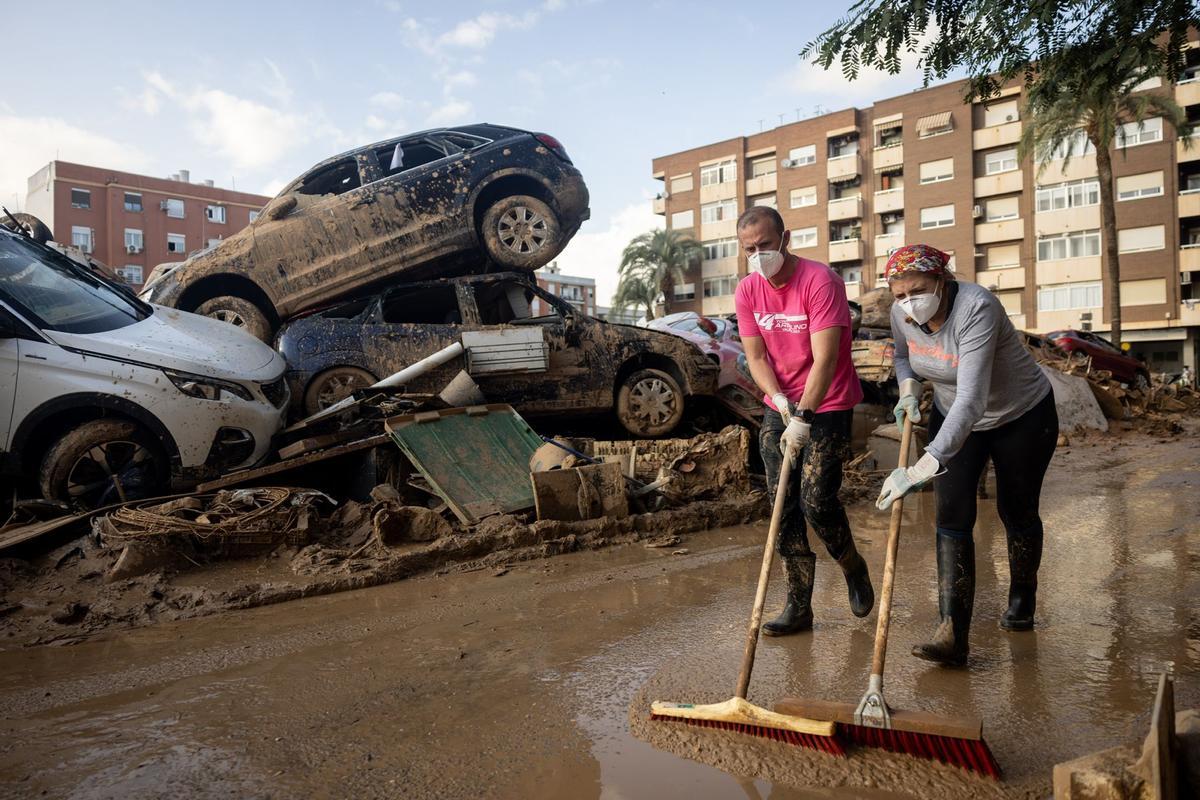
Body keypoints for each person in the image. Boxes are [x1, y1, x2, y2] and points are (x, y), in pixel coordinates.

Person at [875, 244, 1058, 667]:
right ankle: (951, 631)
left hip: (1021, 416)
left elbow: (973, 400)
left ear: (943, 280)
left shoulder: (977, 308)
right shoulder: (902, 315)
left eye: (918, 290)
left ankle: (1021, 601)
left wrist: (920, 467)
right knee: (952, 515)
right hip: (950, 410)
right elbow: (904, 356)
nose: (909, 302)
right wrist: (908, 391)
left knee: (1018, 510)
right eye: (900, 295)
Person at [734, 206, 873, 636]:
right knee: (783, 503)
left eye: (765, 245)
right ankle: (799, 605)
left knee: (817, 501)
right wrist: (778, 401)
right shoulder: (747, 290)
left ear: (785, 238)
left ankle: (852, 564)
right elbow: (756, 356)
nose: (758, 256)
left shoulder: (819, 280)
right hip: (781, 404)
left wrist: (806, 416)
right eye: (749, 250)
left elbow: (827, 359)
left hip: (827, 401)